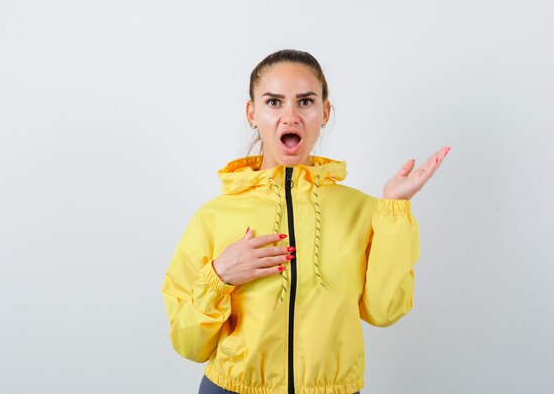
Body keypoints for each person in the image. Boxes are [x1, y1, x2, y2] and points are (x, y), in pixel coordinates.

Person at [161, 49, 450, 394]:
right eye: (273, 103)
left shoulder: (364, 211)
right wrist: (219, 276)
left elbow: (384, 312)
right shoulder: (213, 217)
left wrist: (394, 208)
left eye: (305, 102)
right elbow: (188, 344)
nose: (290, 116)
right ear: (252, 113)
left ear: (325, 112)